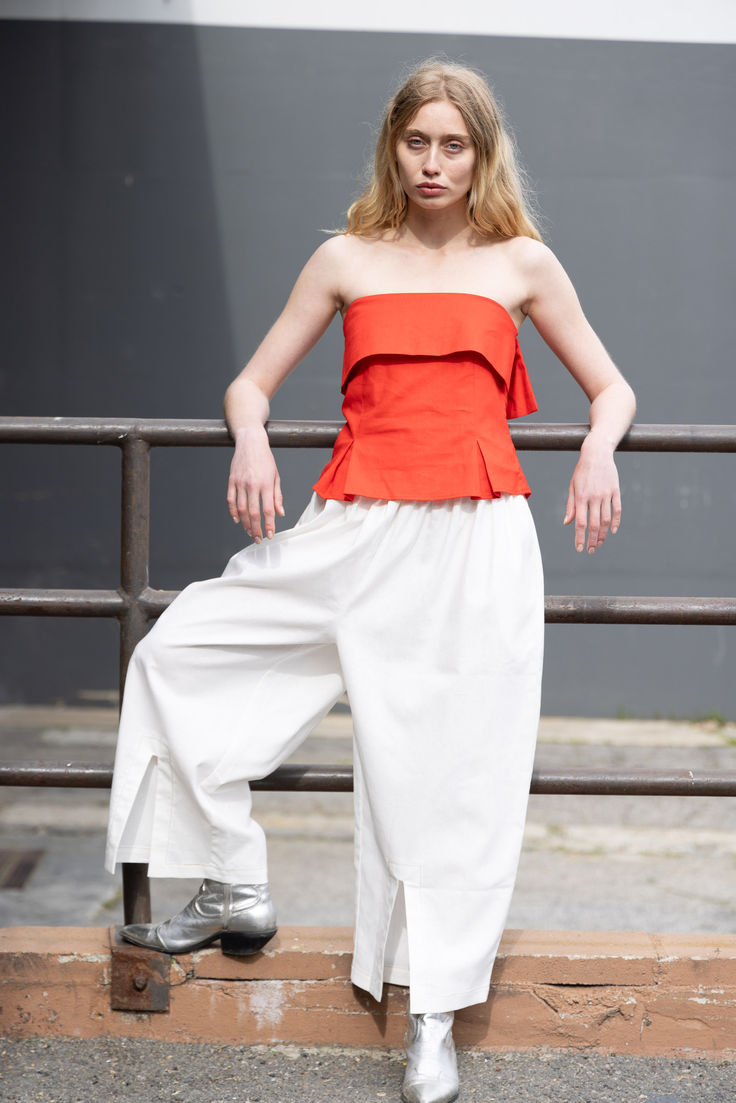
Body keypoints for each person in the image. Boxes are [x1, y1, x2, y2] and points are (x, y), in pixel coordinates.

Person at [106, 60, 635, 1103]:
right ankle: (232, 882)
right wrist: (251, 438)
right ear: (391, 145)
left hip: (473, 540)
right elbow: (249, 382)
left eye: (453, 145)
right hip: (349, 527)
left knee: (448, 777)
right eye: (416, 142)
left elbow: (610, 385)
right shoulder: (343, 257)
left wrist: (597, 450)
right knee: (177, 653)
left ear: (480, 154)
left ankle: (431, 1014)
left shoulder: (521, 262)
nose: (433, 163)